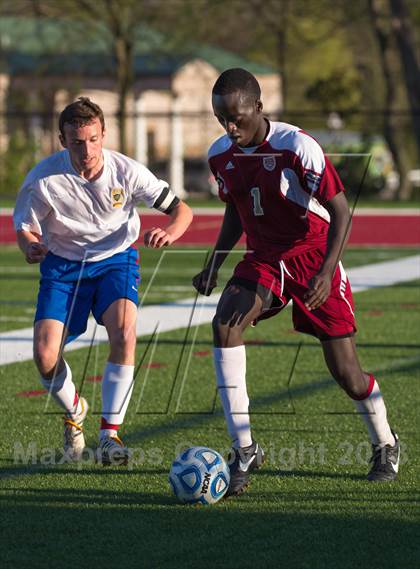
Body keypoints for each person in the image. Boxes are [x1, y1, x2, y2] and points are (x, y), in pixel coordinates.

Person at [193, 68, 399, 497]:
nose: (230, 127)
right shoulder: (220, 155)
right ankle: (244, 448)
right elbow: (235, 210)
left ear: (259, 108)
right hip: (264, 258)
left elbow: (341, 211)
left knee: (347, 375)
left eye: (237, 118)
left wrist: (326, 271)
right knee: (225, 323)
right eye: (221, 119)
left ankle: (385, 442)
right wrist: (215, 262)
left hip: (312, 256)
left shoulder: (297, 147)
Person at [14, 97, 193, 465]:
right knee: (45, 355)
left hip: (116, 261)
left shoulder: (127, 171)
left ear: (104, 134)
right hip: (63, 267)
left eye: (94, 139)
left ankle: (110, 434)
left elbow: (181, 209)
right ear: (63, 141)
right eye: (77, 142)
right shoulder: (43, 179)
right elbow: (25, 228)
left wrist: (171, 231)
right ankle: (75, 410)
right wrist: (31, 247)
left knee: (125, 332)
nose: (87, 150)